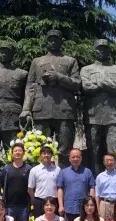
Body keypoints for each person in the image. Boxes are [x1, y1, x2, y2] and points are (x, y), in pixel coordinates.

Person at [20, 30, 81, 166]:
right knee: (40, 149)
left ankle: (64, 176)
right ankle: (41, 176)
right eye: (50, 39)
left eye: (56, 39)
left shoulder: (70, 61)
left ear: (61, 41)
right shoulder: (37, 61)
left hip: (64, 110)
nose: (53, 42)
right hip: (41, 110)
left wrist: (59, 77)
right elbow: (30, 86)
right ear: (46, 42)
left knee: (65, 150)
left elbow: (77, 84)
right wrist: (26, 108)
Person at [80, 39, 116, 174]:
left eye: (105, 49)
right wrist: (110, 84)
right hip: (93, 115)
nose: (102, 51)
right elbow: (87, 87)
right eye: (99, 49)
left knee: (114, 149)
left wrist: (100, 83)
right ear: (94, 51)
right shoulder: (86, 69)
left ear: (109, 51)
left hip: (114, 115)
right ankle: (94, 179)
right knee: (94, 150)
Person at [57, 148, 95, 221]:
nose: (75, 159)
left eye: (78, 157)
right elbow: (60, 189)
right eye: (73, 157)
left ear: (81, 158)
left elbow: (92, 188)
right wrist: (61, 206)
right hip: (69, 208)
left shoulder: (87, 172)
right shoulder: (63, 172)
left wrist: (90, 204)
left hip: (84, 209)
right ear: (69, 159)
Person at [1, 143, 32, 221]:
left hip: (24, 206)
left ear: (23, 153)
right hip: (9, 205)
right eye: (15, 151)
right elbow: (2, 185)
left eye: (20, 151)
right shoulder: (6, 169)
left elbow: (32, 186)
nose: (17, 152)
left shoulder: (29, 169)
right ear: (12, 153)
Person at [28, 146, 61, 218]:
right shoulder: (34, 170)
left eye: (48, 153)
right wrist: (35, 201)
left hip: (54, 201)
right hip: (39, 202)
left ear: (51, 155)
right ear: (40, 156)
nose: (46, 155)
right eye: (44, 153)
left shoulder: (57, 169)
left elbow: (60, 187)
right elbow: (30, 189)